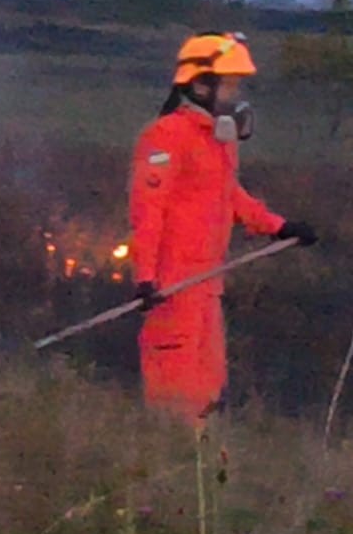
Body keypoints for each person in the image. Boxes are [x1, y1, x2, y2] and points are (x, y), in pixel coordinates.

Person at [128, 31, 317, 425]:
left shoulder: (219, 140)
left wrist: (278, 227)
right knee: (172, 397)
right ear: (199, 85)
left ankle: (203, 468)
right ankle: (167, 465)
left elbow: (229, 195)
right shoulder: (164, 136)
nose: (233, 94)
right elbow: (149, 210)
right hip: (171, 290)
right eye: (227, 84)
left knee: (208, 395)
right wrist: (146, 278)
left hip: (207, 286)